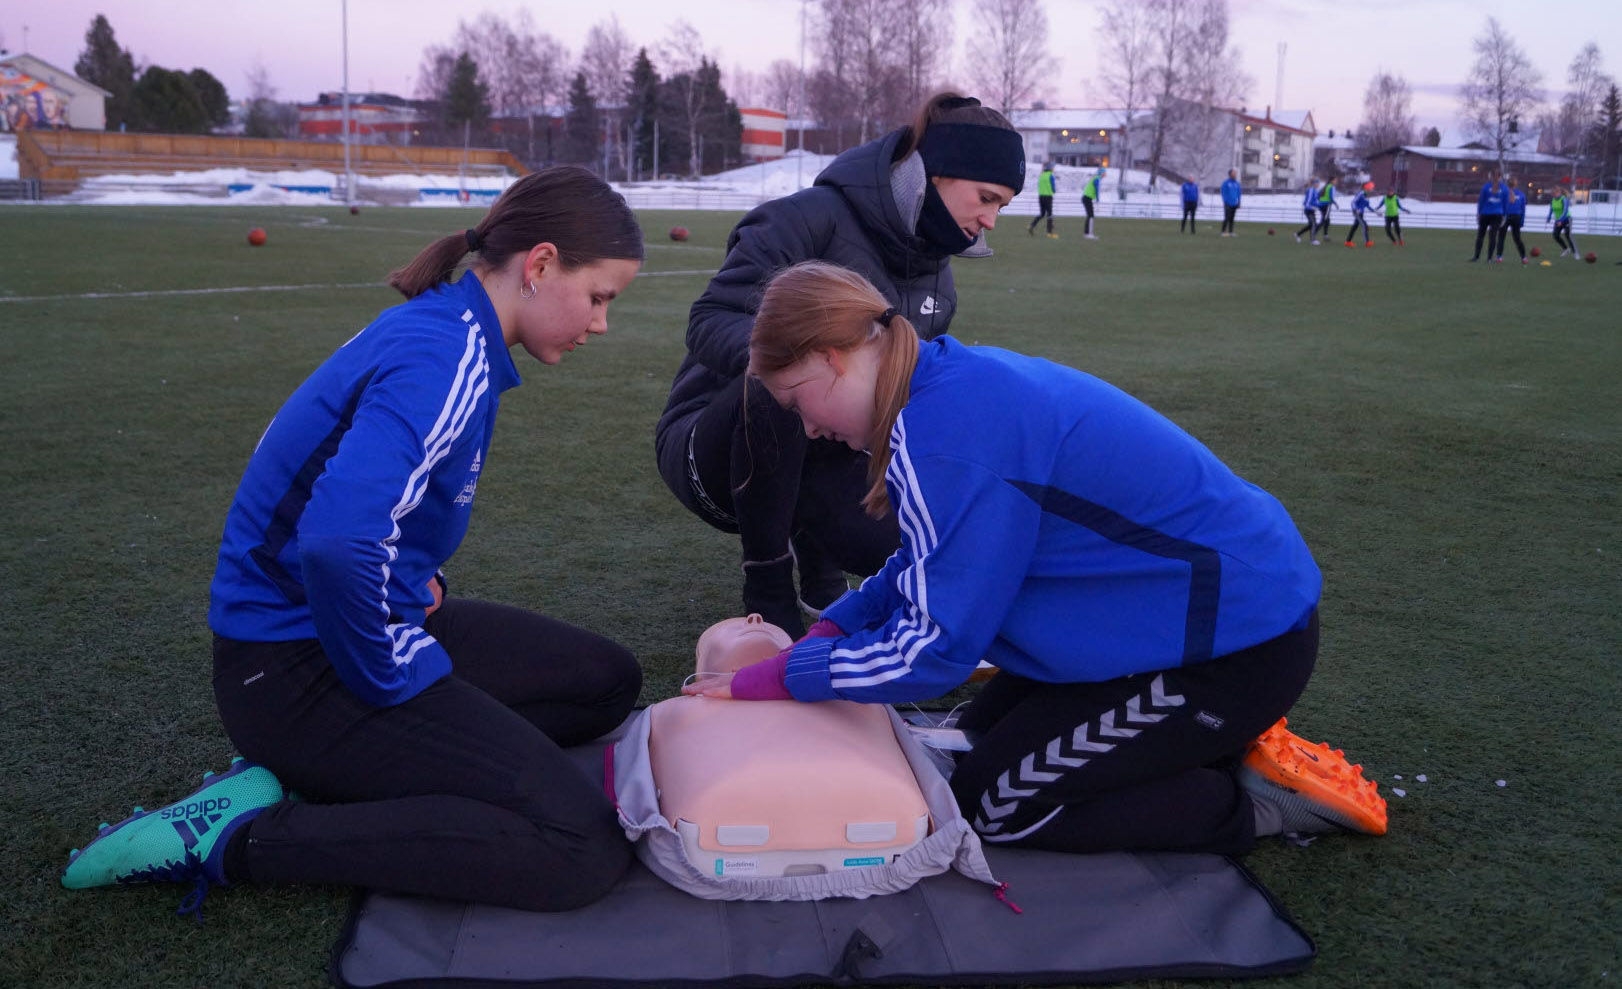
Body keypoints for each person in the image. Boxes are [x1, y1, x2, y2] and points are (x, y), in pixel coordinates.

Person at [60, 166, 647, 916]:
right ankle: (237, 837)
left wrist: (407, 587)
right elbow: (337, 543)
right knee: (581, 845)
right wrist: (392, 671)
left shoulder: (454, 327)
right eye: (599, 297)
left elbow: (356, 515)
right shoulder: (445, 355)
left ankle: (371, 771)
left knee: (604, 682)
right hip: (292, 670)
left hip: (351, 623)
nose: (601, 323)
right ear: (539, 265)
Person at [684, 260, 1389, 857]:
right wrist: (837, 626)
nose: (807, 428)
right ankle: (1198, 739)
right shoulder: (937, 388)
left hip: (1232, 649)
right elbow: (934, 558)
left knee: (993, 805)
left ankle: (1248, 794)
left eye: (797, 402)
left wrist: (784, 676)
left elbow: (933, 652)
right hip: (1177, 623)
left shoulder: (944, 433)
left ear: (829, 359)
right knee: (973, 736)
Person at [654, 92, 1024, 638]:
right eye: (986, 197)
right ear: (933, 173)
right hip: (718, 443)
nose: (990, 220)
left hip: (828, 460)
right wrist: (805, 354)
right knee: (792, 372)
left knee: (905, 542)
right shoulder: (807, 218)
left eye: (1003, 206)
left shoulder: (938, 278)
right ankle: (768, 586)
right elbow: (709, 319)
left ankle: (822, 567)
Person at [1471, 172, 1506, 262]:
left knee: (1481, 235)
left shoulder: (1486, 187)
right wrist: (1504, 215)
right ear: (1500, 177)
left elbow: (1481, 201)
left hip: (1485, 214)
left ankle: (1476, 257)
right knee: (1493, 236)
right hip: (1497, 214)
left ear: (1491, 177)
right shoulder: (1504, 189)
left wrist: (1479, 213)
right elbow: (1506, 204)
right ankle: (1489, 258)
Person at [1498, 175, 1529, 264]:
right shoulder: (1521, 194)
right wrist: (1522, 221)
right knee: (1517, 239)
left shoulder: (1503, 193)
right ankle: (1524, 258)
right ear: (1516, 184)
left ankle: (1499, 257)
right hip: (1516, 217)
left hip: (1505, 217)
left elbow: (1501, 205)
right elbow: (1523, 209)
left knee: (1501, 238)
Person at [1549, 186, 1580, 259]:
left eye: (1554, 193)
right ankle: (1566, 249)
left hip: (1567, 219)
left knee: (1568, 235)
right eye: (1552, 194)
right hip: (1558, 220)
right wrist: (1549, 217)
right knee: (1555, 235)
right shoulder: (1553, 200)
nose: (1553, 195)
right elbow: (1551, 209)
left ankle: (1575, 253)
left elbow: (1565, 211)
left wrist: (1560, 220)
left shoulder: (1564, 199)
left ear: (1559, 192)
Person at [1029, 161, 1058, 238]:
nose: (1053, 168)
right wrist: (1054, 191)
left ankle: (1032, 225)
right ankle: (1049, 233)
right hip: (1048, 196)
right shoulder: (1050, 175)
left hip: (1041, 197)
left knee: (1042, 214)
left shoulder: (1042, 175)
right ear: (1050, 168)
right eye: (1053, 167)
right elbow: (1053, 187)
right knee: (1050, 215)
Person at [1344, 182, 1376, 247]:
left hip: (1361, 213)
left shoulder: (1366, 195)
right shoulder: (1361, 193)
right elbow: (1353, 202)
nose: (1372, 189)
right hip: (1357, 212)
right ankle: (1367, 242)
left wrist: (1375, 211)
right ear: (1367, 187)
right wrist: (1355, 209)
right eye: (1371, 187)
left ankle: (1348, 241)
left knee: (1354, 227)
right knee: (1364, 226)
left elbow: (1367, 205)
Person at [1295, 178, 1322, 244]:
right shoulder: (1311, 190)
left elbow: (1315, 201)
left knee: (1311, 225)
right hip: (1308, 210)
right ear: (1314, 184)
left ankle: (1298, 234)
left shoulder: (1315, 191)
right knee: (1314, 224)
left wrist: (1319, 205)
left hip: (1312, 210)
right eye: (1317, 183)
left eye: (1319, 183)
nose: (1318, 184)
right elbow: (1307, 202)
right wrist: (1311, 207)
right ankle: (1313, 240)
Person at [1081, 167, 1104, 239]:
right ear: (1102, 173)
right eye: (1104, 173)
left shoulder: (1096, 178)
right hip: (1087, 198)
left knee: (1089, 215)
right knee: (1091, 216)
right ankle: (1089, 234)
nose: (1105, 174)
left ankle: (1086, 233)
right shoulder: (1097, 179)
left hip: (1086, 198)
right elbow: (1097, 189)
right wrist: (1097, 199)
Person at [1219, 169, 1242, 237]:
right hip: (1228, 203)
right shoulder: (1226, 183)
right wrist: (1225, 201)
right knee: (1227, 218)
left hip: (1235, 203)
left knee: (1232, 218)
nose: (1235, 174)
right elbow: (1223, 192)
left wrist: (1239, 201)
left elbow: (1239, 193)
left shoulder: (1237, 183)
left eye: (1235, 173)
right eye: (1233, 173)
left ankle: (1231, 232)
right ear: (1230, 174)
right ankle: (1223, 232)